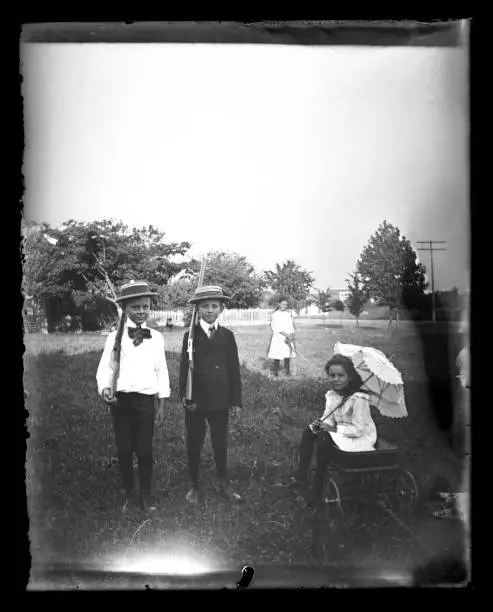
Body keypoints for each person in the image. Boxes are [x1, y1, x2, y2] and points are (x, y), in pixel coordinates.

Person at [96, 280, 170, 514]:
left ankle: (146, 495)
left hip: (145, 402)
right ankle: (130, 493)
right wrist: (106, 389)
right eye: (135, 307)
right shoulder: (114, 338)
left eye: (145, 306)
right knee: (125, 450)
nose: (141, 311)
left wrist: (161, 403)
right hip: (121, 402)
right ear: (124, 309)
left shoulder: (156, 337)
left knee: (145, 451)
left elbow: (162, 370)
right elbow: (105, 369)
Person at [179, 285, 242, 504]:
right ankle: (195, 485)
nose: (209, 310)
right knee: (194, 443)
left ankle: (224, 482)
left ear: (221, 308)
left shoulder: (227, 336)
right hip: (196, 402)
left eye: (214, 305)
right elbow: (183, 369)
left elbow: (234, 369)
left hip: (220, 400)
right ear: (197, 309)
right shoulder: (190, 336)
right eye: (204, 306)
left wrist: (235, 400)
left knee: (220, 443)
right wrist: (187, 398)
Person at [293, 354, 377, 504]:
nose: (336, 379)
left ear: (350, 377)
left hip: (359, 439)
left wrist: (333, 429)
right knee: (309, 431)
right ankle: (300, 477)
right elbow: (329, 417)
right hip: (341, 433)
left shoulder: (358, 399)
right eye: (332, 375)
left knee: (324, 438)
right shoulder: (333, 395)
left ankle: (318, 485)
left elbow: (358, 429)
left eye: (340, 375)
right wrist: (322, 423)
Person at [267, 297, 296, 377]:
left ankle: (287, 372)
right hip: (278, 337)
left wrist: (291, 336)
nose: (284, 306)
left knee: (287, 354)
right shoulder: (275, 315)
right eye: (283, 304)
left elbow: (290, 326)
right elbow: (276, 327)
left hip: (288, 337)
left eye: (286, 305)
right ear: (278, 304)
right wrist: (286, 335)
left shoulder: (288, 314)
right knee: (277, 355)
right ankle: (275, 372)